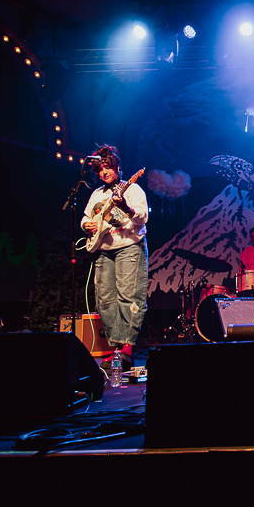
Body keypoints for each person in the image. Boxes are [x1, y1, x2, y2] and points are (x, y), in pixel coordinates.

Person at [81, 145, 148, 370]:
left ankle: (128, 345)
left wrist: (126, 208)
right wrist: (86, 225)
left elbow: (141, 219)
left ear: (117, 167)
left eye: (108, 167)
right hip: (103, 249)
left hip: (129, 246)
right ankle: (117, 347)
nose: (104, 172)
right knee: (105, 299)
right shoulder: (96, 194)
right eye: (100, 169)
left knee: (129, 295)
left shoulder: (133, 189)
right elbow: (86, 217)